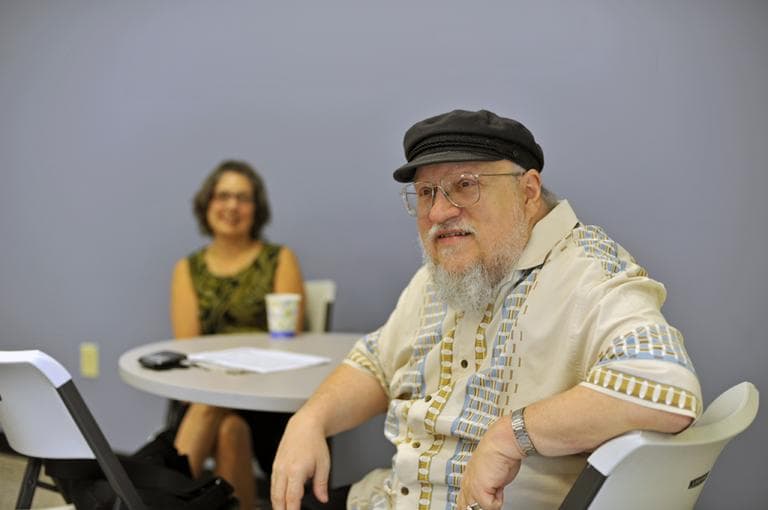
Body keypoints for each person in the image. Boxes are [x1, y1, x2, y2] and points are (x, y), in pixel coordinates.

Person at [269, 109, 702, 510]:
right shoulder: (444, 273)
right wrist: (310, 419)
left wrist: (510, 435)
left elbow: (668, 387)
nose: (439, 212)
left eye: (465, 185)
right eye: (426, 192)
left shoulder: (585, 269)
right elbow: (376, 363)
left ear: (528, 191)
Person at [171, 160, 305, 510]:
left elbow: (290, 339)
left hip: (265, 395)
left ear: (256, 208)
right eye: (223, 196)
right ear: (207, 204)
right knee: (229, 427)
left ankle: (157, 498)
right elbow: (188, 347)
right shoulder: (188, 269)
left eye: (243, 198)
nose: (232, 206)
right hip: (206, 388)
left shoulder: (279, 259)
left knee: (215, 412)